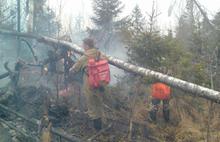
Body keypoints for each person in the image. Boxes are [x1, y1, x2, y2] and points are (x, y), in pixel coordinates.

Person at [70, 38, 107, 131]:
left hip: (90, 83)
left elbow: (74, 69)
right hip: (100, 83)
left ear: (87, 45)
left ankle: (97, 128)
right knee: (99, 103)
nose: (82, 46)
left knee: (91, 104)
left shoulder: (85, 56)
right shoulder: (99, 53)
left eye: (83, 44)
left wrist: (70, 71)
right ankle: (103, 123)